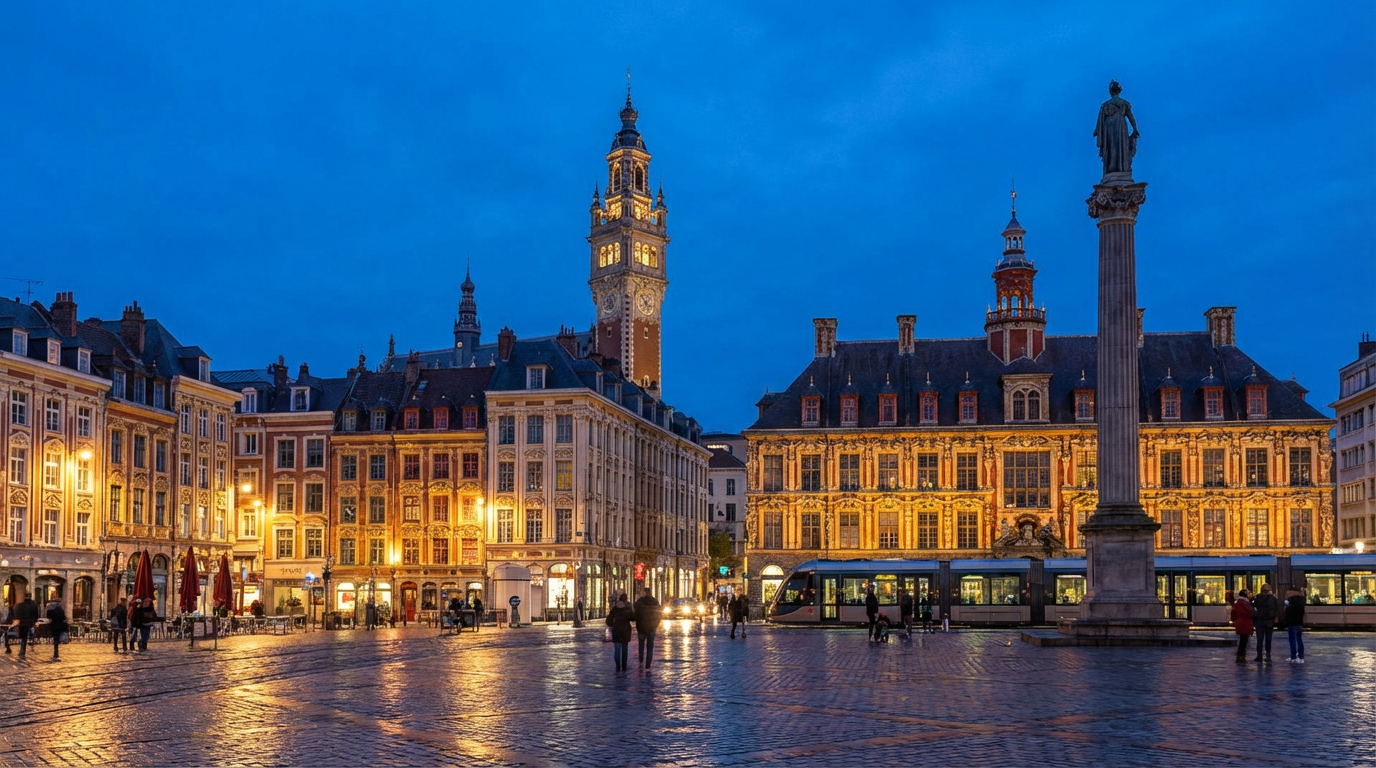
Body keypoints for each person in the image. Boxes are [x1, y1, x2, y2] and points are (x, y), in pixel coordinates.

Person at [633, 587, 662, 670]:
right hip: (651, 628)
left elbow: (635, 613)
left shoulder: (639, 602)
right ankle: (648, 664)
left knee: (641, 645)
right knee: (650, 647)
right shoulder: (655, 602)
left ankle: (641, 660)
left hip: (641, 628)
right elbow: (659, 615)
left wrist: (638, 621)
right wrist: (655, 625)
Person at [605, 593, 634, 673]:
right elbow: (633, 618)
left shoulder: (614, 609)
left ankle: (618, 667)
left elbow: (608, 622)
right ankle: (624, 667)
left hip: (616, 631)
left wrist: (613, 623)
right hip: (625, 631)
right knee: (624, 650)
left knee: (617, 650)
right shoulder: (628, 609)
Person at [1251, 584, 1279, 663]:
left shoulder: (1257, 598)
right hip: (1269, 621)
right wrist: (1274, 618)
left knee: (1259, 639)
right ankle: (1268, 656)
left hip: (1259, 621)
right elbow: (1276, 609)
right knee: (1268, 639)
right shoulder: (1273, 599)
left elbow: (1253, 607)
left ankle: (1259, 656)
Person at [11, 592, 40, 659]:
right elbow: (36, 615)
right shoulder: (34, 605)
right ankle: (25, 649)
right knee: (27, 636)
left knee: (24, 637)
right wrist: (35, 621)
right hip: (30, 622)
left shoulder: (21, 605)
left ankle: (22, 651)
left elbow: (17, 614)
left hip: (23, 623)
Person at [1231, 588, 1254, 664]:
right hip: (1245, 624)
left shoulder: (1238, 603)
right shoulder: (1244, 604)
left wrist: (1234, 620)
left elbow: (1233, 614)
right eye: (1248, 594)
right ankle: (1241, 657)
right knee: (1244, 641)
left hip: (1240, 623)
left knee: (1242, 641)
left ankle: (1240, 656)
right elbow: (1250, 613)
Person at [1283, 588, 1306, 663]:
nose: (1286, 595)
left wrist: (1286, 606)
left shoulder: (1291, 602)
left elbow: (1288, 611)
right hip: (1299, 622)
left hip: (1292, 622)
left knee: (1292, 640)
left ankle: (1293, 656)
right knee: (1299, 639)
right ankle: (1301, 656)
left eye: (1287, 594)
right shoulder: (1301, 601)